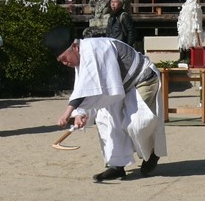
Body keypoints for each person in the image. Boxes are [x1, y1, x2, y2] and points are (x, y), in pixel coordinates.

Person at [46, 28, 167, 181]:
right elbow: (85, 87)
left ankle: (152, 153)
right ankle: (117, 165)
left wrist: (68, 112)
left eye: (64, 58)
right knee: (107, 121)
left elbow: (87, 90)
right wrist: (81, 113)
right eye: (61, 61)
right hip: (116, 88)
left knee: (138, 123)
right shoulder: (80, 59)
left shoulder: (94, 49)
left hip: (142, 79)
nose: (64, 63)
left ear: (74, 47)